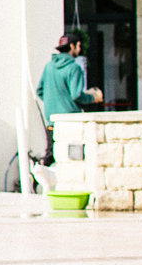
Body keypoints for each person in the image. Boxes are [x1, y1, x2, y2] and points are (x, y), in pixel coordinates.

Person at [37, 32, 103, 165]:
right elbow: (76, 95)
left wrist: (54, 102)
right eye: (78, 45)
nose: (79, 49)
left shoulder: (49, 67)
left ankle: (34, 182)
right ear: (72, 46)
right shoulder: (74, 68)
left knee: (50, 155)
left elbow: (40, 91)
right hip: (70, 120)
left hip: (52, 121)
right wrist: (92, 98)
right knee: (74, 156)